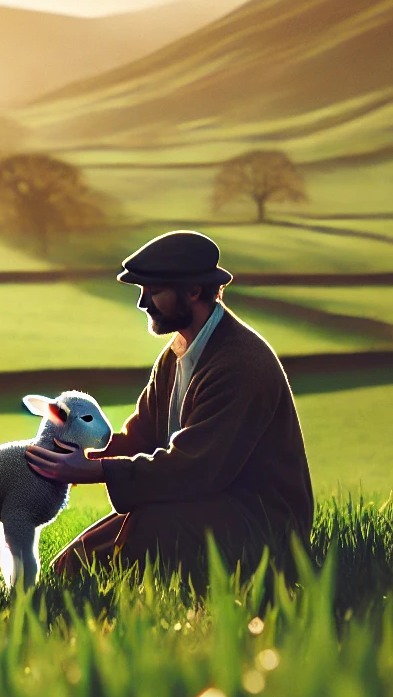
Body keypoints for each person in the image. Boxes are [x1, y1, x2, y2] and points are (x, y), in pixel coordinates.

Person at [24, 230, 313, 580]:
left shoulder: (239, 362)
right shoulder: (175, 355)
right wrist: (67, 452)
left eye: (153, 291)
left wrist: (92, 472)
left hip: (261, 522)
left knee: (143, 534)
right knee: (71, 566)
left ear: (193, 292)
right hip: (199, 503)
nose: (142, 303)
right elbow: (141, 437)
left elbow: (196, 467)